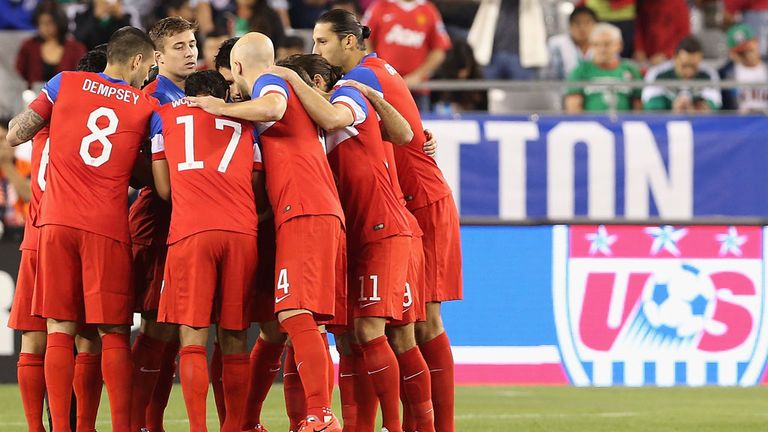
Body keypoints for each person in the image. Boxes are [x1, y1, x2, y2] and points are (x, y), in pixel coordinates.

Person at [187, 32, 345, 432]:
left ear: (237, 67)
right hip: (314, 208)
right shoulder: (281, 86)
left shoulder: (267, 81)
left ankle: (321, 414)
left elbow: (272, 106)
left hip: (304, 209)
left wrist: (218, 106)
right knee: (297, 324)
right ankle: (291, 419)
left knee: (293, 313)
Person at [311, 9, 461, 432]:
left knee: (422, 321)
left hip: (419, 201)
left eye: (322, 42)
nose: (316, 49)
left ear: (348, 41)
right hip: (404, 199)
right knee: (396, 325)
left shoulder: (362, 78)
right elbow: (406, 130)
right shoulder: (376, 71)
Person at [268, 52, 431, 432]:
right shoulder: (311, 128)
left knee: (381, 333)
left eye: (324, 39)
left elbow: (398, 133)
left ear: (316, 84)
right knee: (347, 340)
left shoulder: (346, 95)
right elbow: (402, 134)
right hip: (352, 236)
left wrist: (289, 79)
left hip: (384, 229)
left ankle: (397, 425)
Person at [6, 26, 157, 432]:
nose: (147, 77)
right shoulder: (145, 106)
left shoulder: (63, 83)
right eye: (149, 68)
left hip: (53, 222)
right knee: (111, 332)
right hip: (106, 226)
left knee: (58, 328)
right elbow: (151, 176)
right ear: (138, 61)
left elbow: (17, 132)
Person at [151, 69, 262, 432]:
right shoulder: (246, 123)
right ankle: (234, 427)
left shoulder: (164, 117)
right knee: (234, 337)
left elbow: (164, 191)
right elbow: (257, 181)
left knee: (193, 337)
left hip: (191, 232)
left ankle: (198, 428)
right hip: (241, 232)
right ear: (223, 94)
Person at [6, 46, 110, 432]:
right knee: (86, 339)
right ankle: (82, 426)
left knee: (34, 342)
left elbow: (20, 132)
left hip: (37, 232)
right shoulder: (91, 124)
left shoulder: (49, 120)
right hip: (79, 230)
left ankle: (40, 428)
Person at [127, 16, 197, 432]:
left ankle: (150, 423)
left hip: (186, 222)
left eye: (192, 44)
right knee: (156, 327)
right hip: (157, 221)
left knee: (171, 331)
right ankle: (136, 422)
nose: (189, 52)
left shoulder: (199, 94)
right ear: (156, 57)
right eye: (179, 47)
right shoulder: (151, 97)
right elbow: (135, 169)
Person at [362, 0, 452, 95]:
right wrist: (376, 69)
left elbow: (439, 51)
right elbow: (364, 39)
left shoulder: (429, 10)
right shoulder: (380, 6)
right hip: (382, 86)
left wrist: (417, 76)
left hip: (416, 89)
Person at [565, 22, 642, 113]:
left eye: (607, 44)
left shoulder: (630, 69)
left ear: (619, 45)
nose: (602, 49)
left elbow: (638, 105)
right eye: (596, 44)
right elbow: (573, 108)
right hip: (590, 125)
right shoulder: (580, 71)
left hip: (625, 124)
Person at [16, 1, 87, 89]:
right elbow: (19, 74)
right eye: (40, 23)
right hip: (34, 97)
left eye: (48, 23)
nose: (44, 28)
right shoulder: (28, 46)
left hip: (67, 97)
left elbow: (82, 77)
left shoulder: (76, 48)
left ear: (59, 22)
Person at [643, 36, 722, 112]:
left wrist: (699, 109)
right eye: (684, 66)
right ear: (675, 58)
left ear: (701, 58)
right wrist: (672, 108)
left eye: (694, 66)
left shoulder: (708, 74)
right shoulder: (657, 74)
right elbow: (652, 109)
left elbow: (713, 104)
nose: (689, 71)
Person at [721, 23, 768, 113]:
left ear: (756, 42)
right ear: (733, 55)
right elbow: (726, 108)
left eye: (750, 49)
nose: (747, 55)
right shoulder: (726, 73)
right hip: (741, 124)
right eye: (741, 53)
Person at [545, 5, 597, 80]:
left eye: (587, 22)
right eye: (577, 23)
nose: (582, 28)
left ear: (595, 25)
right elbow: (549, 77)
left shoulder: (604, 44)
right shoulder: (556, 44)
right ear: (570, 26)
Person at [634, 0, 690, 68]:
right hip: (646, 60)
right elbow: (639, 28)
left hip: (670, 61)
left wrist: (666, 54)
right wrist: (639, 49)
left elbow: (684, 35)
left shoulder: (678, 4)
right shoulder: (646, 3)